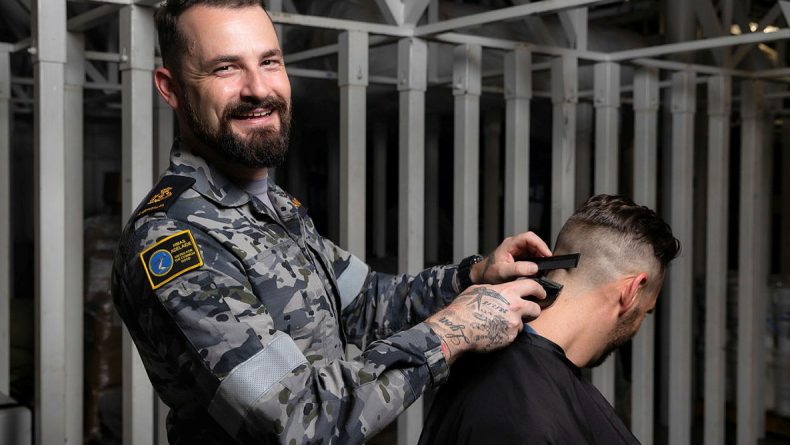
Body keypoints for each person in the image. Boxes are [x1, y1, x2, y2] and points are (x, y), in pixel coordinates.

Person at [111, 1, 552, 444]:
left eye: (269, 62)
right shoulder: (176, 239)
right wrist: (453, 332)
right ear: (170, 88)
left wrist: (474, 275)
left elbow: (366, 303)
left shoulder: (271, 206)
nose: (258, 88)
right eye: (226, 68)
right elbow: (299, 420)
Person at [418, 194, 681, 445]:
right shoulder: (526, 413)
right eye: (646, 312)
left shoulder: (482, 367)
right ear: (632, 291)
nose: (637, 326)